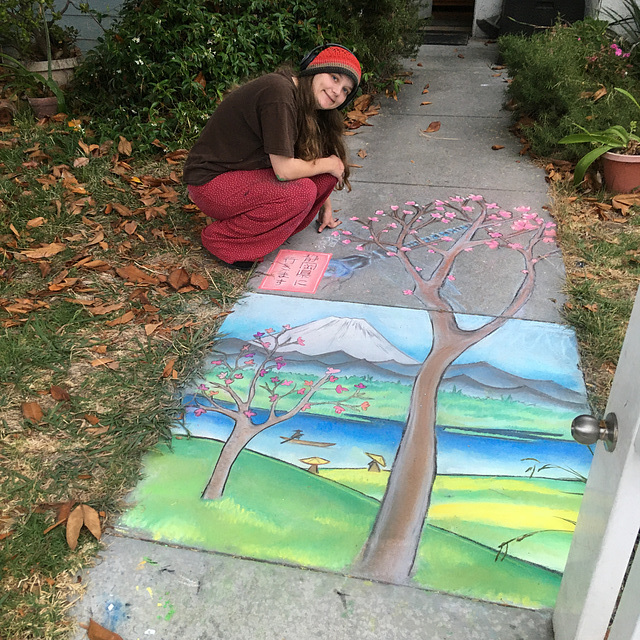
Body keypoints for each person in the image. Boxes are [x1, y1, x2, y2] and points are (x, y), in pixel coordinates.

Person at [182, 44, 362, 270]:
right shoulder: (279, 93)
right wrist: (329, 163)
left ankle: (261, 233)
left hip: (244, 177)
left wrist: (325, 205)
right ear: (312, 69)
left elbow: (305, 156)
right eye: (334, 78)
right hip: (211, 184)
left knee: (324, 178)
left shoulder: (302, 100)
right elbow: (284, 171)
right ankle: (223, 240)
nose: (337, 92)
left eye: (346, 90)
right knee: (302, 191)